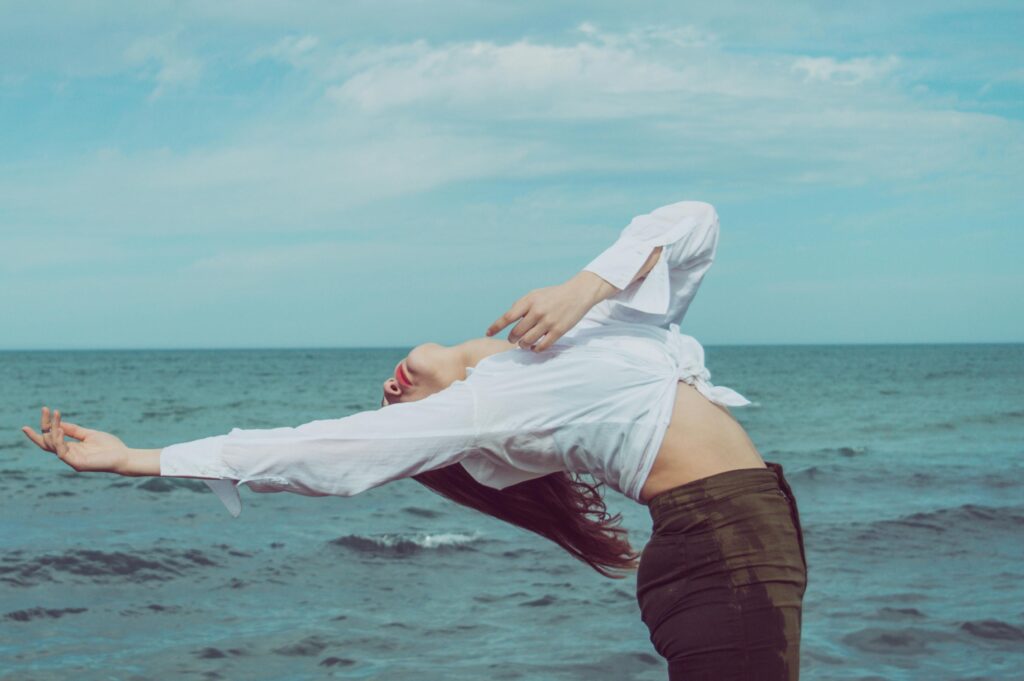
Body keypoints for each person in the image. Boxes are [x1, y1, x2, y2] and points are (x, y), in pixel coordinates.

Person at [22, 200, 809, 680]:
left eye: (390, 389)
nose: (391, 388)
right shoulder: (484, 405)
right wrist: (138, 458)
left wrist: (586, 285)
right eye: (393, 407)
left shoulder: (581, 317)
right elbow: (320, 451)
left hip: (747, 529)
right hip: (718, 544)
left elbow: (694, 223)